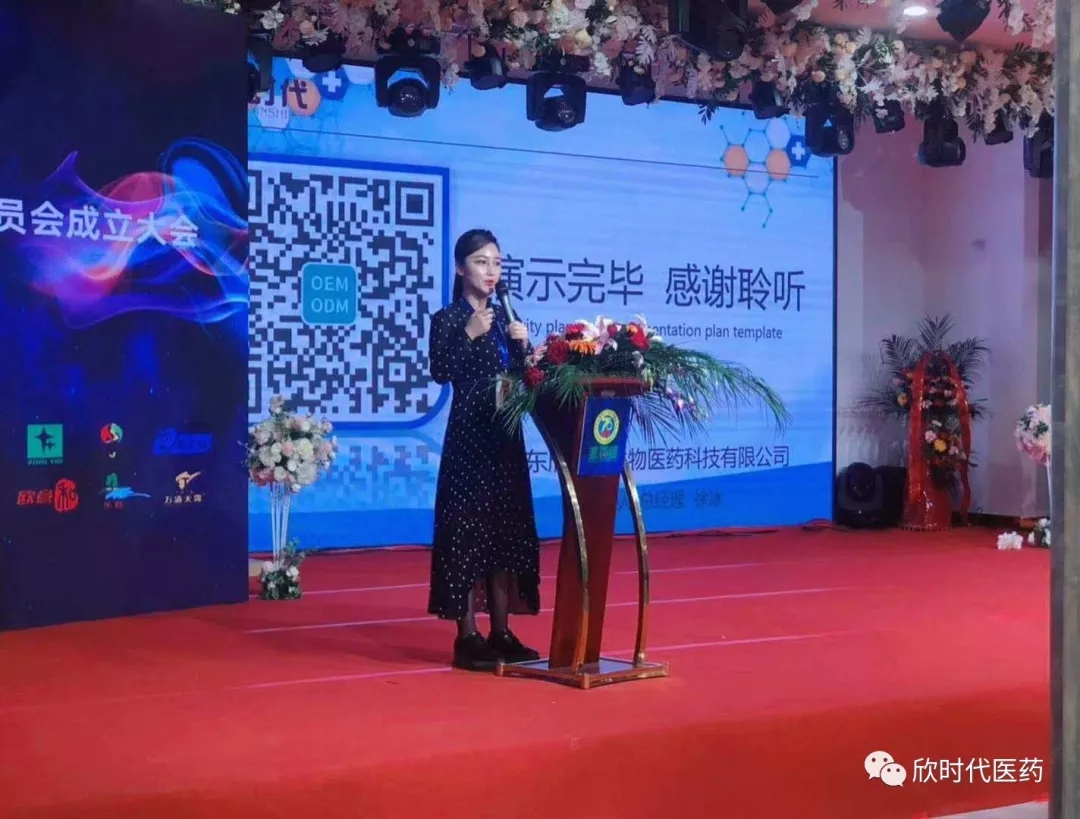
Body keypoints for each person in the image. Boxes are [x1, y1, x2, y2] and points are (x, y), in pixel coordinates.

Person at [427, 228, 542, 672]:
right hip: (468, 441)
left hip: (505, 438)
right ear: (461, 268)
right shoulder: (449, 319)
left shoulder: (506, 318)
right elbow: (441, 370)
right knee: (467, 534)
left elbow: (527, 378)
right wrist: (470, 334)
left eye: (496, 262)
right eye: (481, 262)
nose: (491, 271)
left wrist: (525, 349)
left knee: (505, 533)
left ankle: (501, 631)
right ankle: (467, 636)